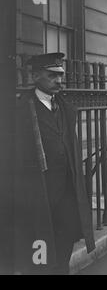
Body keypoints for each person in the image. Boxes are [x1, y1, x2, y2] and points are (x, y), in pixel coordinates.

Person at [14, 53, 95, 274]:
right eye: (52, 75)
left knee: (64, 246)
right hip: (38, 195)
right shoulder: (20, 110)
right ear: (36, 76)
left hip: (66, 194)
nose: (59, 80)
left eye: (60, 75)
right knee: (39, 252)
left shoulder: (66, 109)